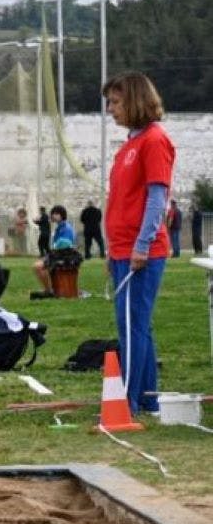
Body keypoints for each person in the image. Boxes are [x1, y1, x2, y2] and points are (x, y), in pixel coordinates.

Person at [104, 71, 175, 416]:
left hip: (140, 252)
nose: (110, 109)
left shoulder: (154, 141)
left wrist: (142, 245)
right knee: (135, 324)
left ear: (134, 101)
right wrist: (111, 248)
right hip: (120, 249)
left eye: (116, 102)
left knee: (132, 328)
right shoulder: (129, 145)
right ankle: (147, 398)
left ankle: (127, 402)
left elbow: (157, 198)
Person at [30, 205, 76, 300]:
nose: (53, 216)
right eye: (53, 214)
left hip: (65, 256)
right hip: (61, 254)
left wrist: (53, 253)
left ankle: (48, 290)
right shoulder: (61, 227)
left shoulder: (65, 228)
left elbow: (65, 244)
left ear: (61, 215)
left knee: (38, 266)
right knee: (38, 265)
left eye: (56, 214)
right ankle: (49, 289)